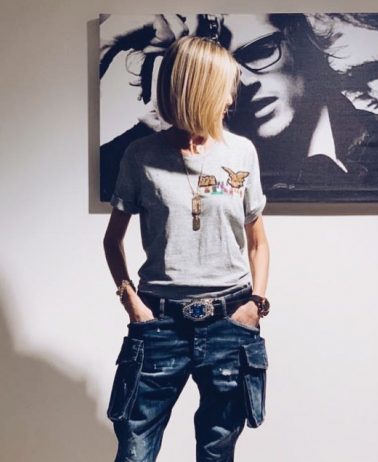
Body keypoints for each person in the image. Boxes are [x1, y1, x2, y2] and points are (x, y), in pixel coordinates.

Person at [103, 35, 270, 462]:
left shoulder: (242, 153)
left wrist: (255, 303)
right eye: (225, 87)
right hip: (159, 322)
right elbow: (112, 240)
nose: (231, 98)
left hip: (230, 321)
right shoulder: (140, 155)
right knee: (135, 450)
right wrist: (130, 301)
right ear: (199, 89)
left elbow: (258, 241)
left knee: (217, 451)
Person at [100, 14, 378, 203]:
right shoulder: (206, 151)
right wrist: (108, 43)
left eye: (259, 51)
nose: (242, 82)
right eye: (218, 71)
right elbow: (113, 191)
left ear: (299, 44)